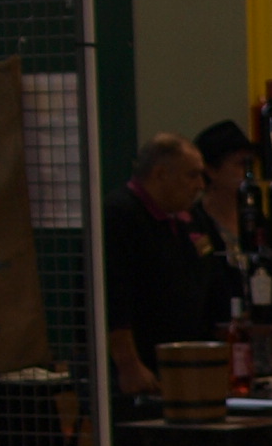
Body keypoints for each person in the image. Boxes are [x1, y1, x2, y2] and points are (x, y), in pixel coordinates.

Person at [101, 132, 212, 397]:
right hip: (139, 369)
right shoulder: (119, 214)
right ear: (160, 174)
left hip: (185, 363)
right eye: (192, 175)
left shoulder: (191, 217)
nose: (200, 185)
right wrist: (129, 365)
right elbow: (112, 298)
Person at [191, 119, 257, 323]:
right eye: (240, 165)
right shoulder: (194, 222)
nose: (249, 173)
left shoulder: (256, 218)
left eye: (251, 164)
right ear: (211, 170)